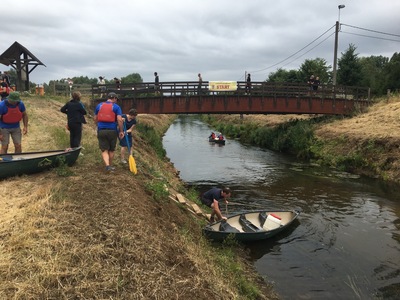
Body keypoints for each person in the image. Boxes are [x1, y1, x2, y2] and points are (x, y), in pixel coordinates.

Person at [94, 92, 124, 172]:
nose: (116, 101)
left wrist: (97, 127)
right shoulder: (116, 107)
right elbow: (119, 120)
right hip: (112, 131)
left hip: (101, 130)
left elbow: (95, 118)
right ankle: (110, 166)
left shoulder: (99, 106)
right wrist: (121, 131)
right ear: (114, 98)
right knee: (111, 150)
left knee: (104, 150)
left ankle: (107, 166)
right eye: (116, 99)